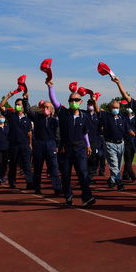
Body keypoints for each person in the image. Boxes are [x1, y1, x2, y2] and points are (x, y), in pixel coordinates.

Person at [46, 79, 96, 208]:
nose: (74, 102)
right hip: (65, 149)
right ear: (68, 102)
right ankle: (68, 197)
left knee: (83, 173)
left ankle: (87, 197)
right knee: (66, 175)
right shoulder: (63, 113)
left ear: (81, 102)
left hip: (80, 148)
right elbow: (54, 100)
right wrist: (51, 87)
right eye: (71, 100)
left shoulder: (84, 116)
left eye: (76, 100)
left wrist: (88, 145)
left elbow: (85, 132)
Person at [24, 96, 62, 195]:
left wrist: (57, 145)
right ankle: (37, 187)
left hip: (51, 144)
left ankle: (57, 188)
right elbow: (28, 110)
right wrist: (25, 99)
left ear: (51, 109)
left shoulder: (54, 121)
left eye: (47, 107)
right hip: (39, 144)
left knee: (53, 167)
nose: (45, 109)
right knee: (37, 168)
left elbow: (57, 134)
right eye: (44, 107)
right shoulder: (37, 116)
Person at [0, 91, 34, 189]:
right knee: (13, 164)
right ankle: (12, 182)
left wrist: (30, 144)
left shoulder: (27, 119)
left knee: (27, 164)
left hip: (25, 145)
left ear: (23, 106)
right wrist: (8, 96)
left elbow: (29, 133)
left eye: (19, 104)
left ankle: (29, 182)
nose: (17, 106)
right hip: (13, 144)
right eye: (16, 104)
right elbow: (1, 106)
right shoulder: (11, 115)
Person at [99, 99, 134, 191]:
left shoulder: (123, 118)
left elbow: (129, 129)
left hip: (121, 144)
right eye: (114, 107)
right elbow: (97, 110)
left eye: (117, 107)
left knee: (118, 165)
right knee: (114, 164)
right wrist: (95, 101)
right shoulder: (106, 116)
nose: (115, 109)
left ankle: (111, 180)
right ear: (110, 108)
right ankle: (119, 182)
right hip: (109, 143)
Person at [122, 107, 136, 181]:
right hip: (125, 141)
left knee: (130, 159)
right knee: (128, 159)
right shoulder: (123, 118)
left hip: (134, 142)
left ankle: (125, 174)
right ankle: (132, 175)